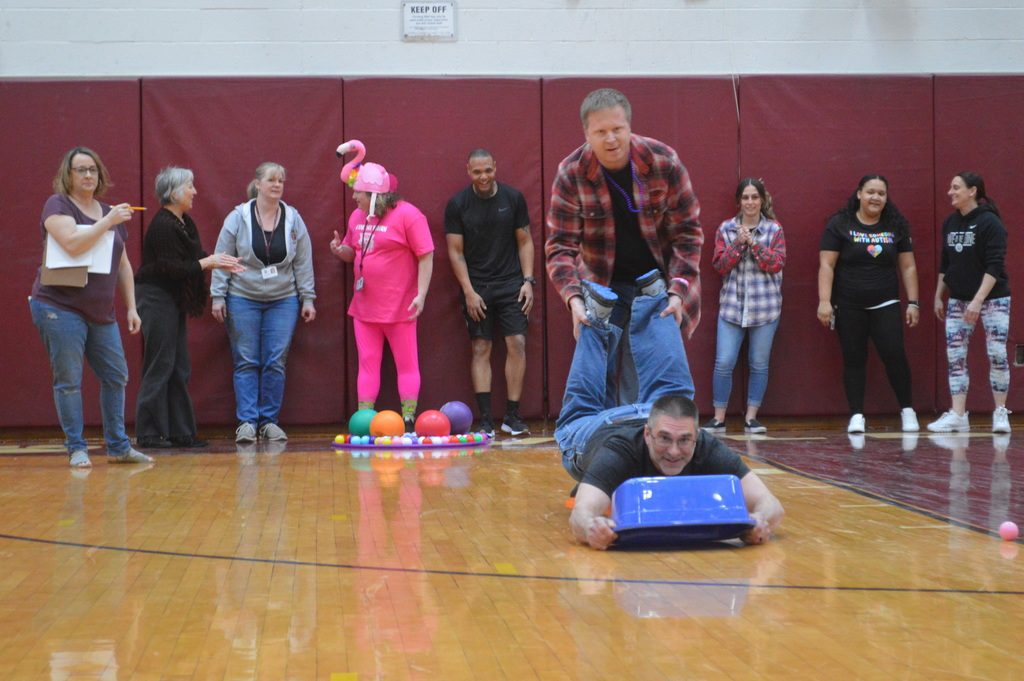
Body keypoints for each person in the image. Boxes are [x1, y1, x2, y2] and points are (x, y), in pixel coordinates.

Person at [556, 278, 784, 550]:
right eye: (664, 440)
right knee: (580, 408)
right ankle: (618, 314)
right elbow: (580, 515)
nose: (675, 451)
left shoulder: (702, 444)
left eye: (684, 440)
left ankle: (654, 303)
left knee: (677, 395)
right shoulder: (619, 453)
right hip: (598, 428)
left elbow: (772, 506)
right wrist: (591, 528)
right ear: (648, 435)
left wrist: (759, 520)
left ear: (697, 437)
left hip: (653, 412)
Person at [545, 87, 702, 405]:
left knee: (647, 374)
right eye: (600, 131)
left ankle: (642, 444)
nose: (611, 139)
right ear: (586, 133)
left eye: (617, 129)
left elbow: (688, 235)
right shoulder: (571, 173)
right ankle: (600, 444)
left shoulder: (663, 161)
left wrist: (678, 290)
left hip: (657, 284)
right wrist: (574, 300)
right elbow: (560, 246)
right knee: (595, 373)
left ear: (629, 126)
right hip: (602, 285)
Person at [29, 147, 154, 468]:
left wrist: (131, 307)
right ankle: (77, 448)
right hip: (59, 306)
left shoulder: (109, 211)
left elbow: (123, 264)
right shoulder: (58, 205)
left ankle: (119, 447)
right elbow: (72, 243)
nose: (88, 175)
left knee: (116, 376)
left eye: (93, 170)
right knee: (69, 380)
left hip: (101, 312)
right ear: (67, 175)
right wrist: (109, 221)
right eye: (80, 170)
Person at [133, 167, 244, 449]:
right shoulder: (162, 225)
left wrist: (217, 261)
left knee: (178, 365)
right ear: (173, 193)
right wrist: (208, 263)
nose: (194, 192)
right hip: (156, 297)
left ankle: (180, 432)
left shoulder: (183, 222)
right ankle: (147, 433)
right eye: (189, 187)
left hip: (172, 299)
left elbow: (192, 259)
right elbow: (172, 268)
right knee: (159, 364)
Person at [211, 162, 317, 443]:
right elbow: (223, 257)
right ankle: (247, 422)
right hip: (242, 299)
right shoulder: (238, 217)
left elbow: (303, 261)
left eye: (281, 180)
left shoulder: (293, 218)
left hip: (284, 301)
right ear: (257, 184)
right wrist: (217, 296)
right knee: (246, 361)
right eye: (271, 179)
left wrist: (308, 298)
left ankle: (269, 422)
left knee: (275, 361)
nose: (277, 184)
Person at [330, 161, 434, 433]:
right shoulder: (357, 217)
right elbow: (355, 251)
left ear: (375, 195)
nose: (353, 197)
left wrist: (421, 295)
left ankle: (409, 418)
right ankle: (365, 419)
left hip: (401, 307)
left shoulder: (408, 215)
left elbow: (426, 255)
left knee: (407, 364)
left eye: (359, 193)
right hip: (364, 308)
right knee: (367, 364)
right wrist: (341, 252)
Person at [817, 174, 920, 434]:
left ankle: (907, 411)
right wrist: (825, 301)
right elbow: (827, 265)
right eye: (871, 192)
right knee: (854, 359)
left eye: (881, 194)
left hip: (885, 302)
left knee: (895, 355)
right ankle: (857, 416)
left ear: (886, 198)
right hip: (849, 304)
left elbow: (908, 268)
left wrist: (913, 302)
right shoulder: (839, 224)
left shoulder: (896, 226)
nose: (876, 197)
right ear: (859, 194)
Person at [444, 149, 534, 436]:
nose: (483, 177)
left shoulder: (513, 198)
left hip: (511, 284)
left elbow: (525, 242)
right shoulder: (458, 204)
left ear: (495, 167)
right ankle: (485, 420)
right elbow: (455, 253)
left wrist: (528, 281)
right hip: (478, 287)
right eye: (477, 172)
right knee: (481, 347)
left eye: (488, 170)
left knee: (517, 343)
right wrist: (469, 292)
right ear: (468, 171)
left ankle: (512, 415)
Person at [928, 172, 1011, 433]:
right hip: (958, 300)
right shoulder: (950, 223)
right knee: (955, 356)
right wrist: (939, 295)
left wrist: (977, 301)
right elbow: (946, 262)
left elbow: (995, 265)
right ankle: (958, 415)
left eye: (956, 188)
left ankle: (1000, 413)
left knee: (997, 354)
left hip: (993, 300)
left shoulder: (990, 223)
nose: (950, 192)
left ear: (972, 191)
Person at [702, 178, 786, 435]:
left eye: (754, 197)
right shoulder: (726, 229)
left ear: (762, 200)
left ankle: (751, 418)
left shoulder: (774, 229)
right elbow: (719, 265)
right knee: (724, 362)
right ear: (738, 201)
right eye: (745, 198)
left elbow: (775, 264)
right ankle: (718, 419)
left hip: (765, 308)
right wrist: (739, 243)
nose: (750, 202)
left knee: (759, 364)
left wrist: (754, 243)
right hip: (732, 307)